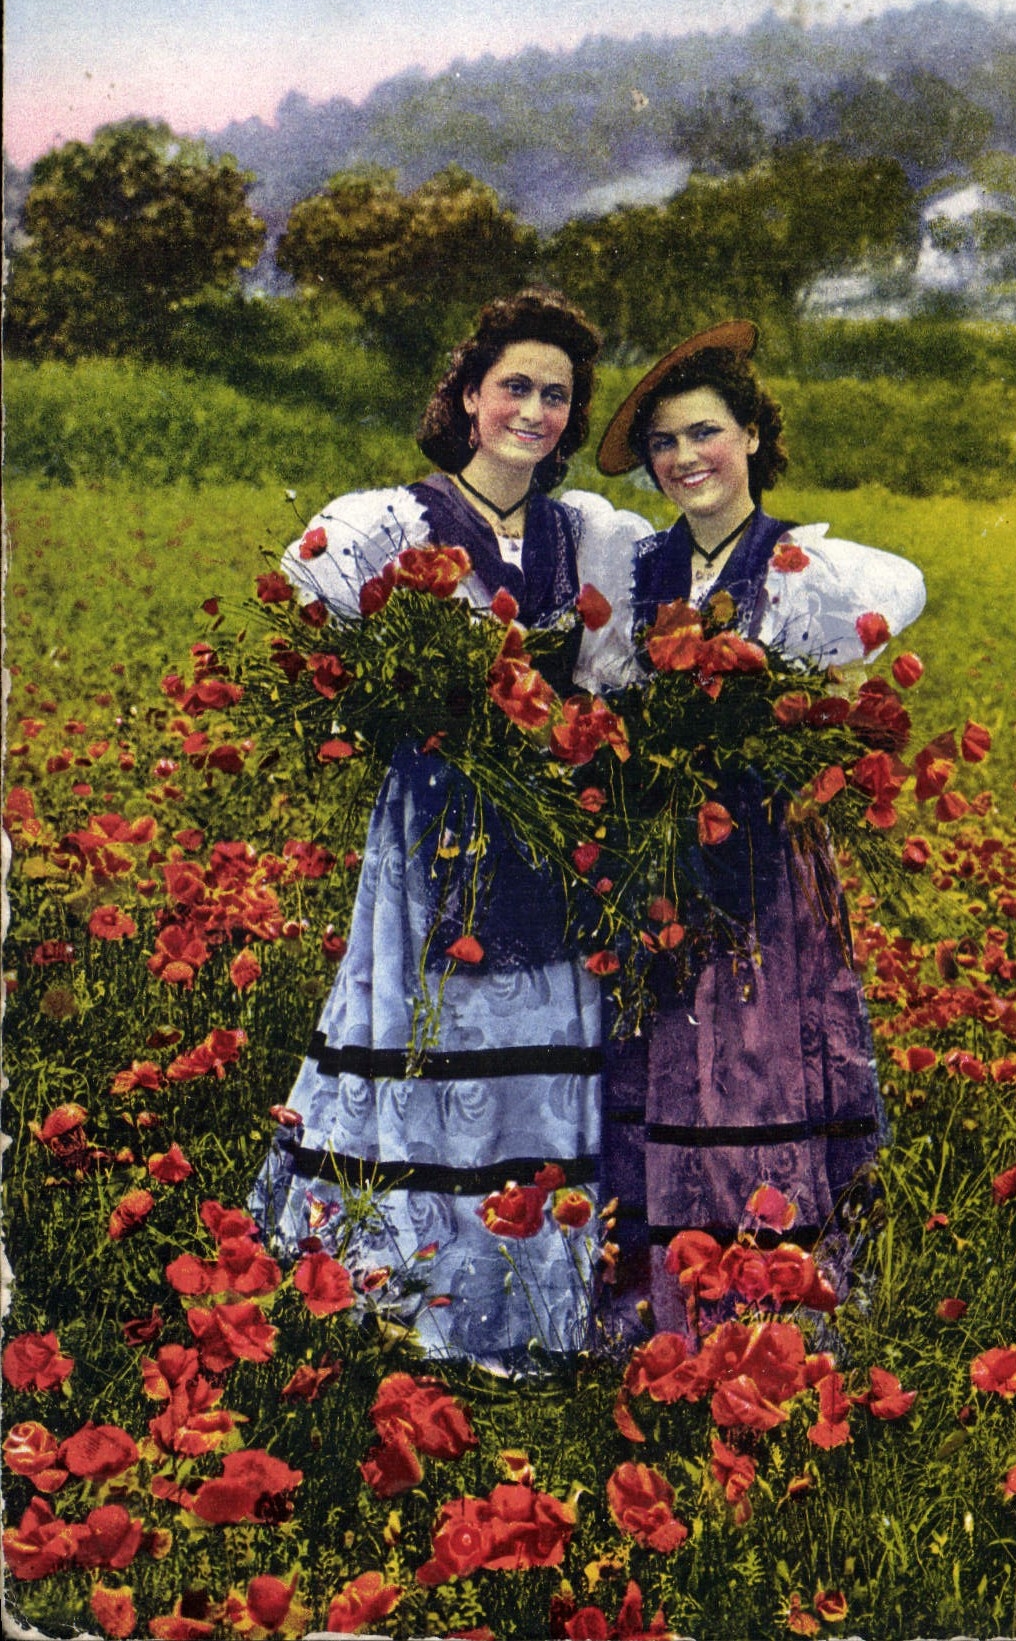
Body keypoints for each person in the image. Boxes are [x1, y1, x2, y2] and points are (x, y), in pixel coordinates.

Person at [252, 289, 650, 1366]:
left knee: (540, 1040)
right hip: (436, 825)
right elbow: (307, 594)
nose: (534, 409)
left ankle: (532, 1302)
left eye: (556, 394)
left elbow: (631, 664)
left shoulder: (592, 535)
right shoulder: (399, 522)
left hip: (554, 829)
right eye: (514, 385)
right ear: (469, 396)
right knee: (433, 1029)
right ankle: (417, 1288)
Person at [594, 321, 926, 1333]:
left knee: (753, 1048)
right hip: (656, 854)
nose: (684, 457)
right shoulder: (641, 567)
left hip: (763, 858)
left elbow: (825, 705)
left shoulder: (800, 568)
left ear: (750, 436)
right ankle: (656, 1303)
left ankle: (764, 1306)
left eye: (704, 433)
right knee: (660, 1052)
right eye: (664, 444)